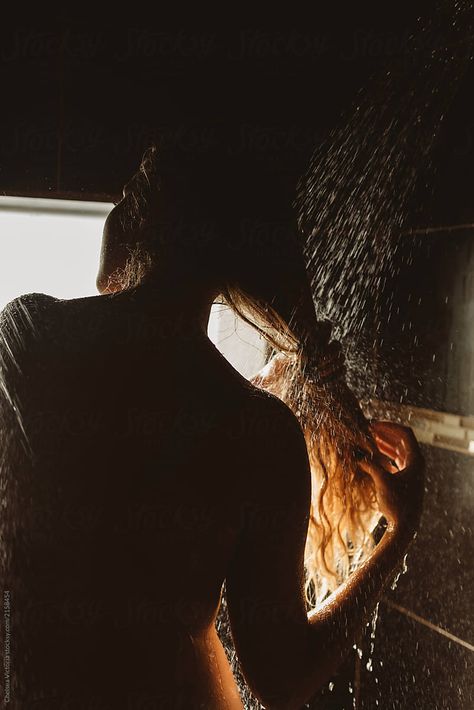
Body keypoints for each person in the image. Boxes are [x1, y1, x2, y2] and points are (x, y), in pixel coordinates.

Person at [0, 144, 424, 709]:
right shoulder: (257, 430)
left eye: (128, 194)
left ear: (143, 221)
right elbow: (281, 679)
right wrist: (398, 534)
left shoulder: (28, 335)